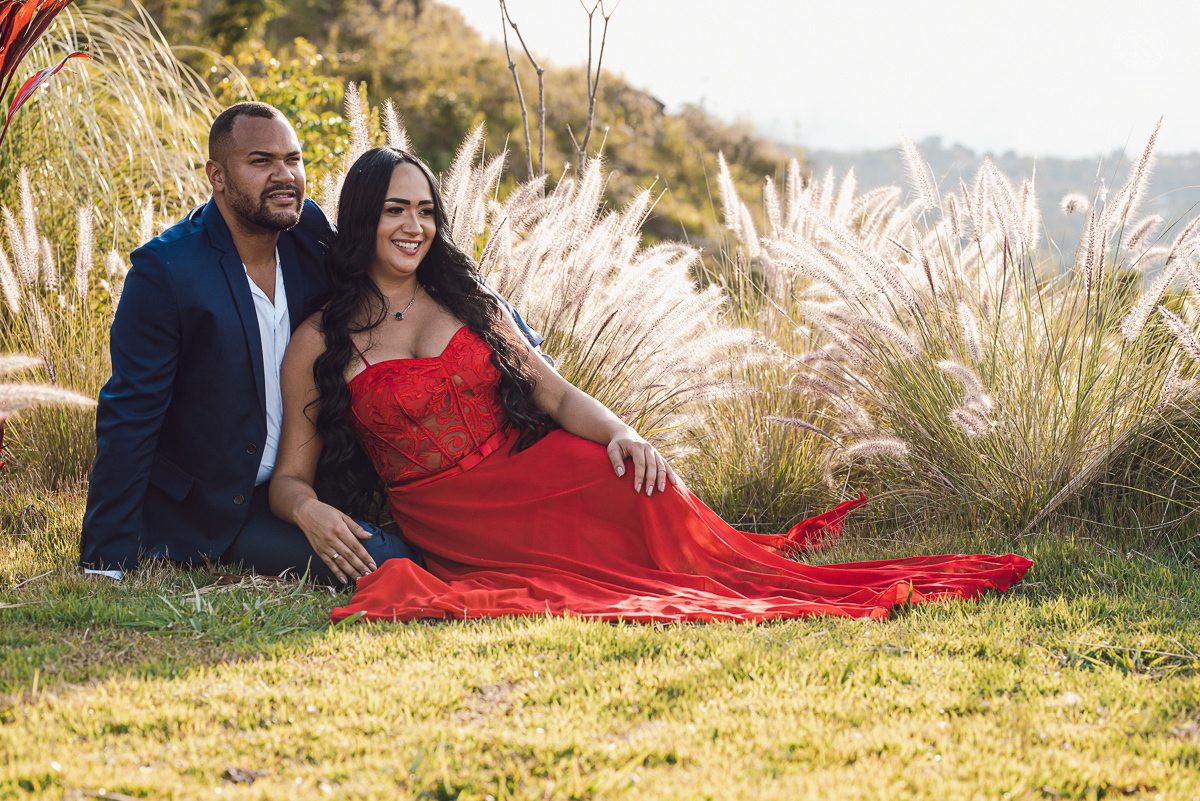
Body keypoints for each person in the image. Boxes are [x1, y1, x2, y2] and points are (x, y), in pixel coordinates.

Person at [271, 146, 1032, 621]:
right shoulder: (320, 341)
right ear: (363, 216)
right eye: (396, 210)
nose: (415, 226)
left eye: (427, 211)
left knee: (659, 507)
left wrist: (625, 433)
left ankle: (699, 540)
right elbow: (289, 478)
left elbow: (557, 396)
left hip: (549, 474)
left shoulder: (469, 302)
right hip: (461, 523)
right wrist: (308, 513)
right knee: (624, 579)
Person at [78, 103, 542, 586]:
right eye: (261, 162)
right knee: (395, 568)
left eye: (293, 160)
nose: (284, 176)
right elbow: (130, 413)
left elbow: (415, 272)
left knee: (426, 558)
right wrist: (105, 558)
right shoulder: (167, 273)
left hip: (307, 480)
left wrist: (519, 345)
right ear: (217, 175)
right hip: (220, 506)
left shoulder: (309, 234)